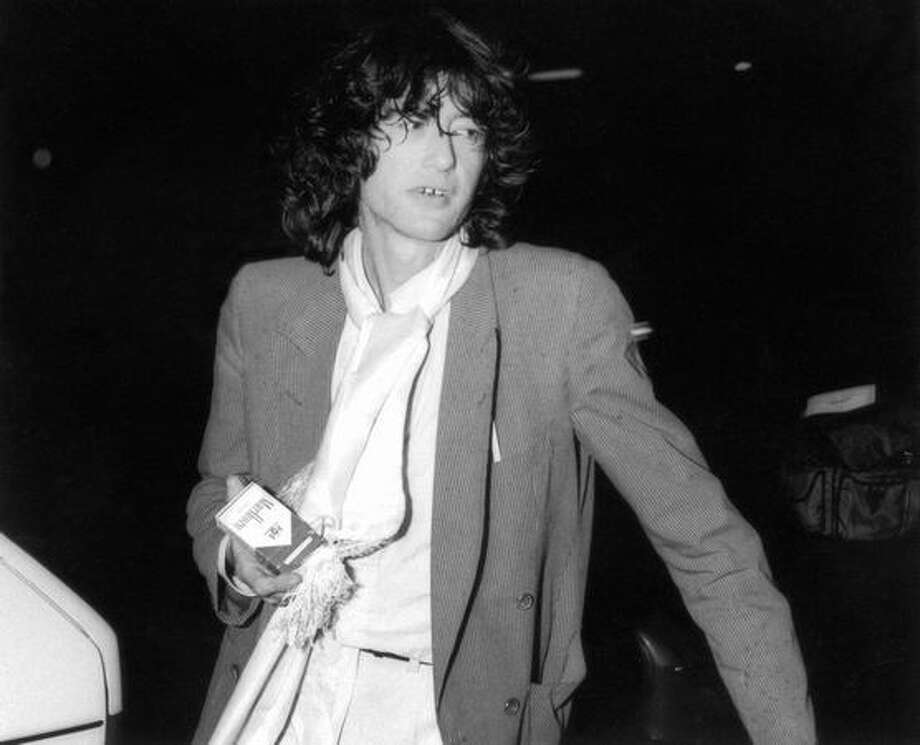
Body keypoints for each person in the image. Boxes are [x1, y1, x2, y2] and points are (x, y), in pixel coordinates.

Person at [186, 9, 815, 745]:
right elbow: (219, 488)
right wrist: (234, 557)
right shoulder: (265, 302)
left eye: (468, 130)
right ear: (351, 138)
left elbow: (708, 544)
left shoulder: (558, 304)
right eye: (414, 122)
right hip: (276, 695)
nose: (445, 158)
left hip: (446, 717)